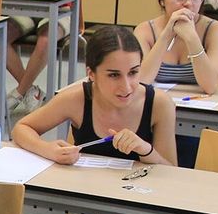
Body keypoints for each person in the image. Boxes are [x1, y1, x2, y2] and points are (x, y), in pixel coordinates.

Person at [15, 25, 178, 166]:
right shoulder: (75, 99)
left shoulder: (159, 103)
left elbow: (172, 171)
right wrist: (48, 150)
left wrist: (145, 150)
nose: (126, 86)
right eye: (114, 75)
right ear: (91, 74)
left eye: (133, 72)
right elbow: (22, 128)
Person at [133, 0, 218, 95]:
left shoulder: (216, 29)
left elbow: (211, 86)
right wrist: (166, 35)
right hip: (158, 104)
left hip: (198, 106)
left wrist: (192, 39)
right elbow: (141, 81)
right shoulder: (145, 30)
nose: (189, 3)